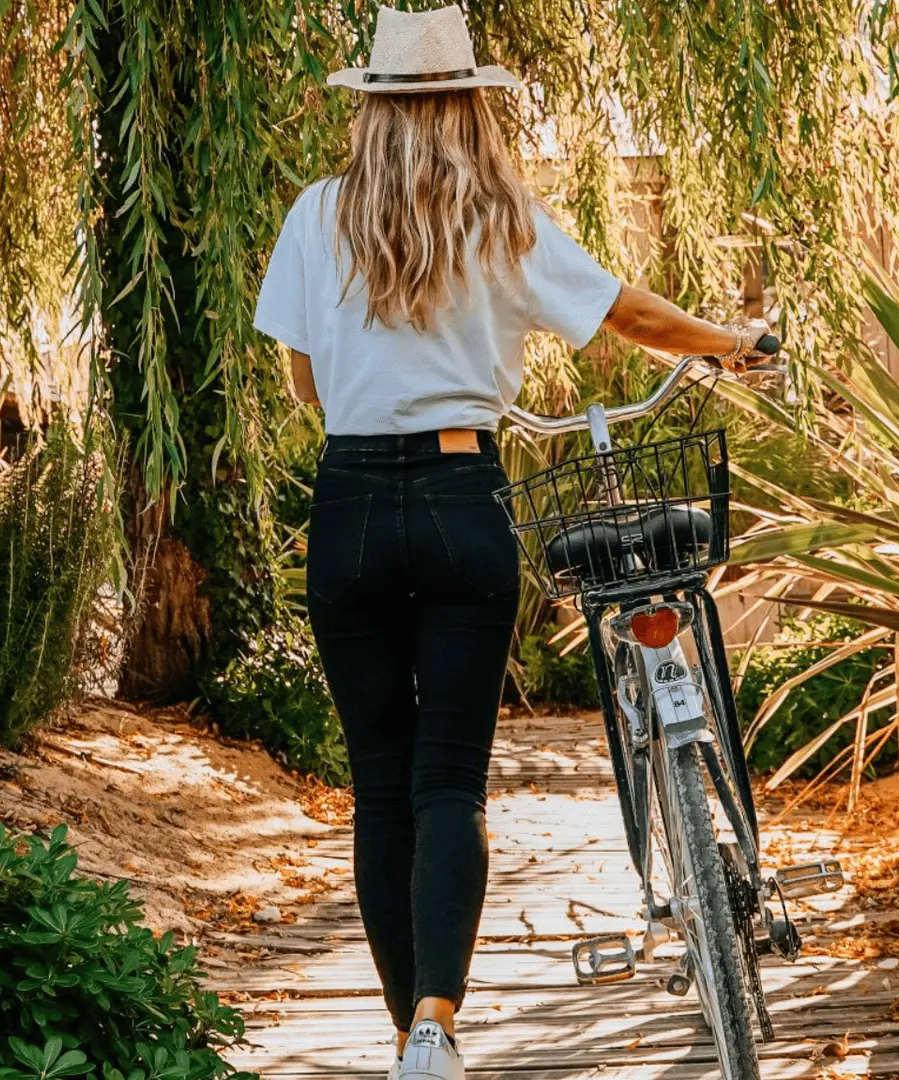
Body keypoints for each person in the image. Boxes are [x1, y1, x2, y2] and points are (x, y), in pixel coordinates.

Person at [252, 7, 773, 1080]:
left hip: (349, 504)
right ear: (469, 104)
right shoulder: (499, 221)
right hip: (462, 495)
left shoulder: (314, 217)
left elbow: (302, 379)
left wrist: (365, 403)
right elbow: (625, 313)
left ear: (373, 106)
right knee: (449, 780)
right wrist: (729, 341)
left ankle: (409, 1042)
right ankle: (441, 1020)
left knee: (382, 780)